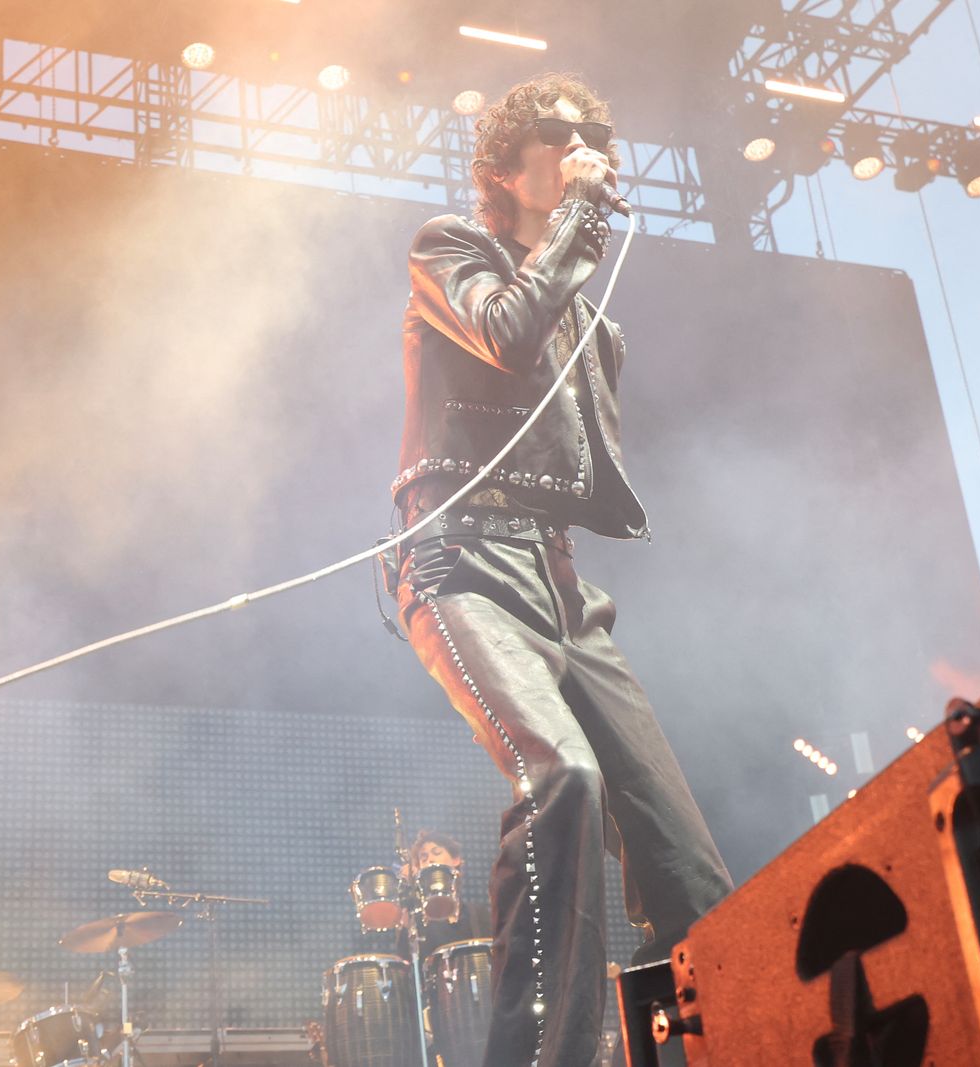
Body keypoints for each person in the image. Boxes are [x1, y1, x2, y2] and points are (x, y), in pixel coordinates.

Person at [389, 72, 732, 1067]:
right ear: (503, 168)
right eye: (556, 132)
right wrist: (579, 221)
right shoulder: (449, 248)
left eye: (597, 134)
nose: (584, 146)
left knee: (687, 868)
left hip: (563, 586)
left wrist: (576, 246)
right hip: (462, 562)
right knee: (563, 776)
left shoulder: (587, 315)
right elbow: (502, 334)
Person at [399, 828, 493, 952]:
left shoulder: (477, 913)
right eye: (424, 858)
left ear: (455, 860)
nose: (430, 860)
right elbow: (405, 959)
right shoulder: (415, 920)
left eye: (437, 852)